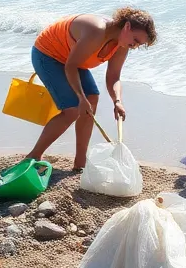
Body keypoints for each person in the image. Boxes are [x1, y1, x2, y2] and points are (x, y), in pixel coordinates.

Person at [25, 9, 157, 169]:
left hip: (71, 58)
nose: (134, 46)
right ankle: (35, 154)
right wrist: (80, 98)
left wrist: (117, 101)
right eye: (135, 40)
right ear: (127, 26)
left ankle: (80, 162)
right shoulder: (98, 31)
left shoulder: (122, 44)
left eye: (138, 45)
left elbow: (113, 76)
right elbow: (71, 66)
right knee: (73, 109)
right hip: (47, 54)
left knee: (92, 98)